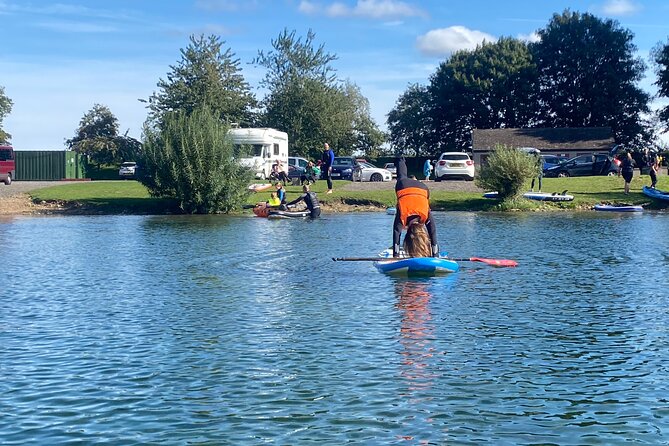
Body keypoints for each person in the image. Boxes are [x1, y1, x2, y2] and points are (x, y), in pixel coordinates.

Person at [393, 157, 439, 258]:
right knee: (402, 177)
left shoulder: (425, 216)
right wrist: (435, 256)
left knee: (402, 177)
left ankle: (401, 160)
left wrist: (395, 257)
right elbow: (397, 236)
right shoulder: (402, 218)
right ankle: (400, 160)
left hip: (423, 190)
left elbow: (432, 234)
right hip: (422, 187)